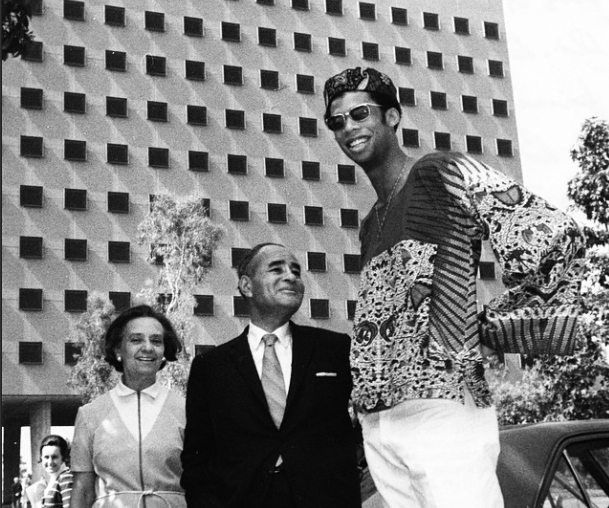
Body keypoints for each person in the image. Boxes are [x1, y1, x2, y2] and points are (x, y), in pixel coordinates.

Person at [322, 67, 585, 508]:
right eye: (336, 121)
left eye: (360, 113)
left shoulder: (439, 172)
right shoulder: (369, 222)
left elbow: (551, 232)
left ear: (392, 117)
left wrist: (495, 324)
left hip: (442, 408)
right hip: (379, 418)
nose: (348, 127)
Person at [181, 243, 361, 508]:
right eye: (276, 269)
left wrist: (343, 472)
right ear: (246, 285)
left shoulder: (334, 349)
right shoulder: (210, 367)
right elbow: (198, 455)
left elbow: (370, 417)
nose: (291, 276)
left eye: (296, 272)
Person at [70, 305, 186, 508]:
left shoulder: (187, 410)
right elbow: (83, 491)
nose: (148, 347)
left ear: (164, 351)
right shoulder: (90, 415)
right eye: (136, 340)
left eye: (156, 341)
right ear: (117, 349)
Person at [39, 435, 73, 508]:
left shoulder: (66, 477)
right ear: (41, 458)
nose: (50, 462)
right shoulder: (54, 480)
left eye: (54, 457)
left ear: (63, 458)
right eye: (46, 457)